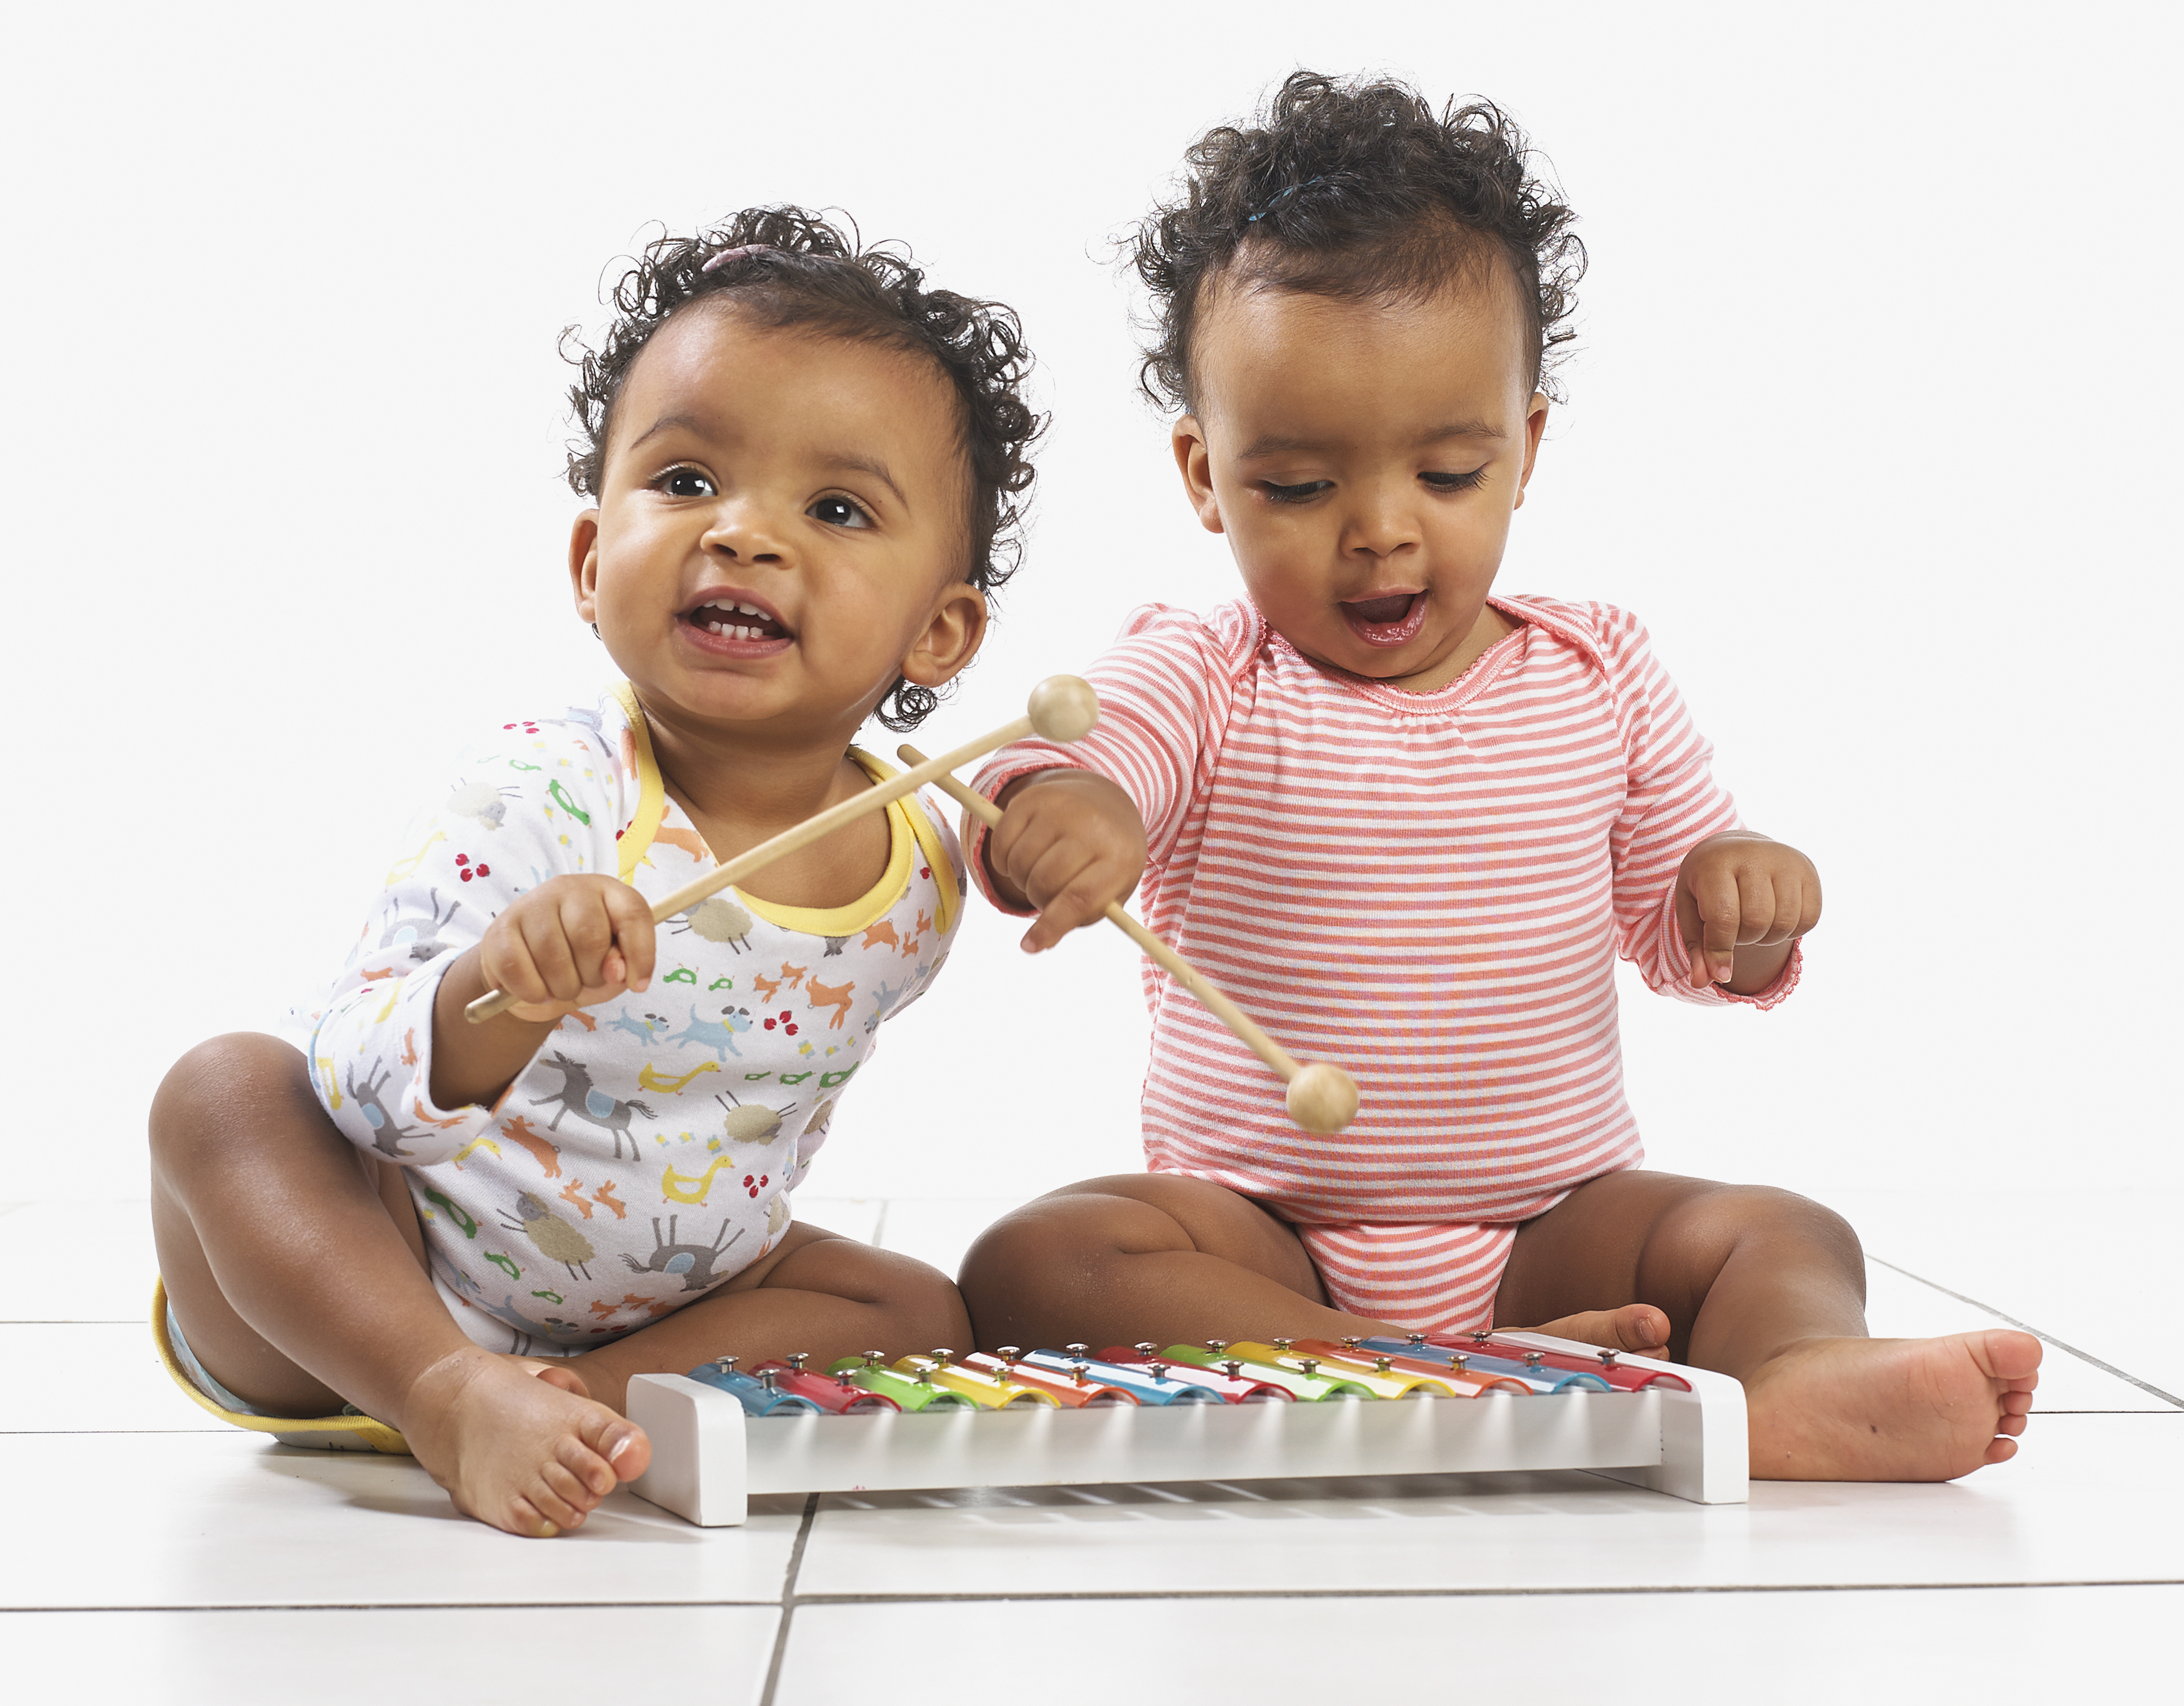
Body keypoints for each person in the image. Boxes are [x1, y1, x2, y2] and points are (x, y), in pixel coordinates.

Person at [957, 74, 2039, 1481]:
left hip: (1550, 1224)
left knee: (1781, 1229)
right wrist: (1067, 816)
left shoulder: (1596, 672)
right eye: (1296, 486)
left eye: (1449, 470)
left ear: (1523, 448)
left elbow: (1681, 932)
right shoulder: (1207, 675)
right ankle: (1404, 1373)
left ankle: (1784, 1376)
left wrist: (1740, 901)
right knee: (1038, 1258)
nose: (1379, 532)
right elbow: (1074, 759)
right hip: (1260, 1237)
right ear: (1204, 474)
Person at [150, 208, 1042, 1536]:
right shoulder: (548, 786)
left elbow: (1058, 805)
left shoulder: (924, 856)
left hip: (669, 1296)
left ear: (940, 630)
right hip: (387, 1260)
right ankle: (444, 1389)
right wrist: (496, 993)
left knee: (918, 1311)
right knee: (226, 1092)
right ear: (589, 558)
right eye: (685, 483)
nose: (742, 534)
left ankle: (572, 1398)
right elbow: (358, 1078)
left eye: (836, 508)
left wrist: (1065, 830)